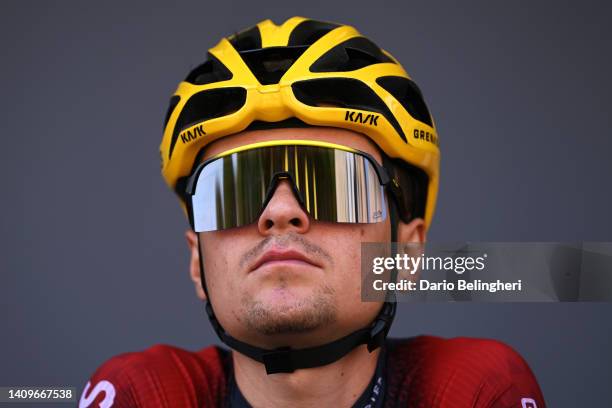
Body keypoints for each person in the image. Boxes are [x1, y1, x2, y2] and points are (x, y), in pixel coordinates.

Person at [80, 17, 546, 407]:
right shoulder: (143, 395)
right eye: (233, 191)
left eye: (337, 184)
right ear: (198, 262)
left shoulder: (476, 392)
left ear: (406, 251)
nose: (280, 212)